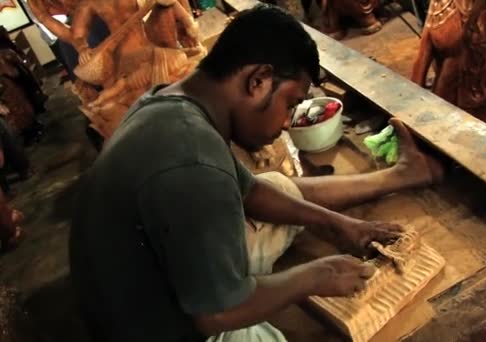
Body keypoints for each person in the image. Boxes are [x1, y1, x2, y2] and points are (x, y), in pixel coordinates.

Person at [69, 4, 442, 342]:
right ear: (258, 80)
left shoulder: (169, 103)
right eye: (290, 104)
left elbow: (252, 194)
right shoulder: (193, 162)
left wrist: (342, 224)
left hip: (137, 280)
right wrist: (316, 276)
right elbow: (215, 312)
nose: (284, 124)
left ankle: (403, 174)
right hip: (155, 326)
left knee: (276, 185)